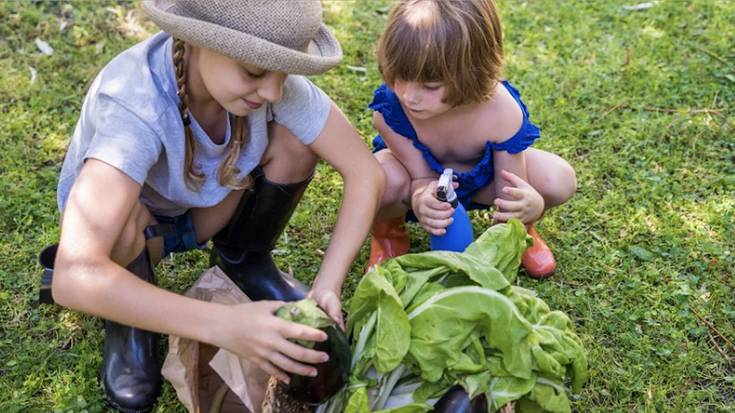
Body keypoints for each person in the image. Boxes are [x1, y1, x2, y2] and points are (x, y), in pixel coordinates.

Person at [49, 0, 384, 411]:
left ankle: (244, 261)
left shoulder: (270, 88)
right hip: (135, 232)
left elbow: (366, 172)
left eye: (285, 72)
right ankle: (128, 325)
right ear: (195, 40)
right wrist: (225, 326)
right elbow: (74, 274)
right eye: (256, 71)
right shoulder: (134, 104)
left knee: (295, 141)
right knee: (119, 226)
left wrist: (328, 285)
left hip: (208, 210)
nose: (274, 91)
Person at [366, 0, 576, 278]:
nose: (409, 96)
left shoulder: (500, 111)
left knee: (557, 179)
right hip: (419, 179)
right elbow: (420, 177)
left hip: (484, 180)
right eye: (399, 78)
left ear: (473, 73)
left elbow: (512, 186)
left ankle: (523, 234)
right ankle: (388, 234)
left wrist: (528, 209)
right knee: (375, 180)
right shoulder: (391, 112)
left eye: (430, 86)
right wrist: (421, 197)